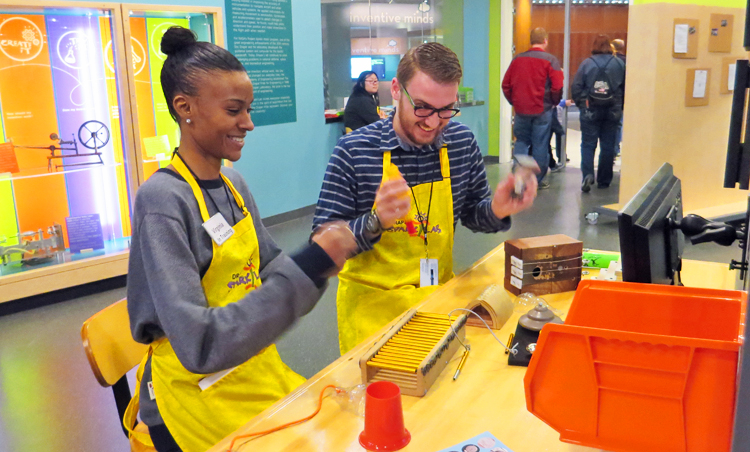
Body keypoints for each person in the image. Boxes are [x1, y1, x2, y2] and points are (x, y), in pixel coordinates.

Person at [125, 27, 356, 452]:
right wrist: (308, 266)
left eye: (248, 109)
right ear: (185, 108)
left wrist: (320, 261)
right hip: (194, 389)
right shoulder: (162, 201)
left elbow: (268, 268)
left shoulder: (232, 184)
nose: (248, 123)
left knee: (341, 427)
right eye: (234, 110)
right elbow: (200, 346)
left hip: (248, 365)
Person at [313, 42, 538, 355]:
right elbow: (320, 248)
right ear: (395, 89)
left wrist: (497, 209)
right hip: (373, 317)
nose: (433, 122)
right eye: (422, 107)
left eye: (445, 110)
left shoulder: (460, 143)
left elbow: (474, 214)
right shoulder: (354, 151)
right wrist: (375, 221)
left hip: (440, 302)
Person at [502, 27, 564, 190]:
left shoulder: (517, 59)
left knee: (521, 141)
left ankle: (519, 175)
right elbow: (557, 86)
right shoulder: (551, 60)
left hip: (521, 109)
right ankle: (537, 179)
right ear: (545, 41)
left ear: (531, 41)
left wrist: (514, 101)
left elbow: (505, 84)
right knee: (540, 144)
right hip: (542, 109)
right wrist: (553, 102)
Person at [571, 34, 626, 193]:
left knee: (588, 144)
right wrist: (620, 105)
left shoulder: (587, 64)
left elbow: (576, 87)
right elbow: (626, 87)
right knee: (608, 145)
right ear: (610, 46)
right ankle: (604, 180)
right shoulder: (619, 64)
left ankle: (587, 175)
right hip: (612, 110)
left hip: (590, 109)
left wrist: (582, 104)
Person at [612, 38, 626, 155]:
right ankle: (615, 148)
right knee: (618, 124)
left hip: (610, 96)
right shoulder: (626, 61)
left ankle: (611, 147)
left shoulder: (610, 61)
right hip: (621, 97)